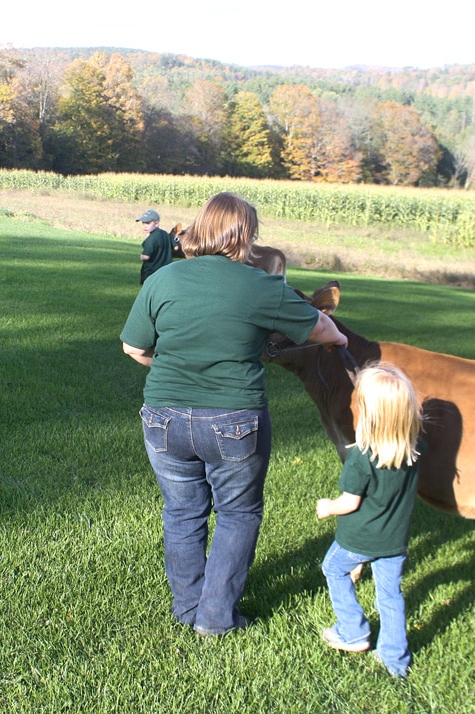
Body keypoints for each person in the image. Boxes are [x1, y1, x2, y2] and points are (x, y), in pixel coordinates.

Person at [121, 192, 349, 636]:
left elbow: (133, 348)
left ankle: (188, 608)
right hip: (234, 420)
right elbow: (319, 327)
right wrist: (340, 341)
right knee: (238, 514)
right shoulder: (261, 285)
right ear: (247, 236)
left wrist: (173, 365)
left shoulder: (162, 281)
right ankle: (214, 618)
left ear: (199, 228)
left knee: (182, 512)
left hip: (163, 417)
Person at [315, 362, 425, 678]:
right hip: (394, 542)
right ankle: (395, 660)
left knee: (333, 569)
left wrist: (327, 508)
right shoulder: (413, 451)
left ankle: (352, 631)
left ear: (368, 413)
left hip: (358, 540)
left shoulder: (361, 459)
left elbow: (350, 503)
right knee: (390, 596)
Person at [135, 208, 173, 284]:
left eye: (148, 223)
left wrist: (141, 256)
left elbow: (146, 256)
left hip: (151, 273)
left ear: (156, 223)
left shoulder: (151, 239)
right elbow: (176, 247)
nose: (145, 226)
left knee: (149, 294)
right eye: (143, 223)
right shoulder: (165, 234)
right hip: (166, 271)